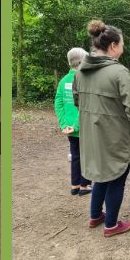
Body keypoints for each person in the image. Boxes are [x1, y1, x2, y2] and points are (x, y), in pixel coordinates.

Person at [73, 20, 130, 237]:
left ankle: (96, 215)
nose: (123, 48)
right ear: (113, 46)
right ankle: (111, 225)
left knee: (101, 175)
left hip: (92, 135)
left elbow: (77, 101)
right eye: (122, 44)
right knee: (116, 177)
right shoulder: (118, 72)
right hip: (116, 137)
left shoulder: (80, 71)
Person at [54, 46, 90, 195]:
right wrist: (76, 126)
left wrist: (65, 124)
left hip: (69, 127)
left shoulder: (63, 81)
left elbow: (58, 103)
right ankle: (84, 186)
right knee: (87, 156)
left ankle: (75, 186)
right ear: (82, 62)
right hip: (83, 127)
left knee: (75, 156)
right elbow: (85, 106)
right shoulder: (85, 80)